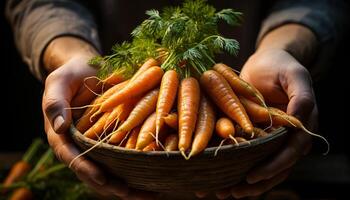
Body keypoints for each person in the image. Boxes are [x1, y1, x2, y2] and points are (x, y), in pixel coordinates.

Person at [5, 0, 348, 199]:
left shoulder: (213, 77)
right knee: (122, 114)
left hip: (258, 177)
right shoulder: (151, 75)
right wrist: (72, 55)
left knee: (229, 121)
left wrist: (282, 49)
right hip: (118, 172)